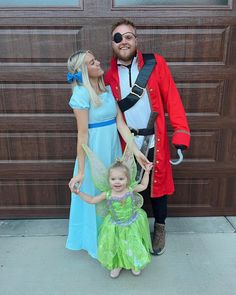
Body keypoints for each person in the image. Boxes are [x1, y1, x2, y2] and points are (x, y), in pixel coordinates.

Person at [105, 19, 191, 256]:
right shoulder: (108, 77)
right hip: (128, 142)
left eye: (129, 36)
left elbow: (172, 99)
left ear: (136, 40)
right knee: (131, 187)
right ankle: (135, 229)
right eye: (118, 37)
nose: (124, 41)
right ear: (112, 44)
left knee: (158, 185)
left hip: (156, 139)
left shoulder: (155, 64)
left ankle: (160, 227)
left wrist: (181, 134)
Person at [66, 50, 150, 259]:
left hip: (112, 150)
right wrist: (82, 171)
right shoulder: (81, 95)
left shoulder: (108, 90)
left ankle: (119, 242)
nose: (98, 62)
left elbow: (120, 123)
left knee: (115, 196)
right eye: (92, 62)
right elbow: (82, 134)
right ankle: (99, 245)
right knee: (97, 196)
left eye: (95, 59)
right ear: (84, 71)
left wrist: (136, 151)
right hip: (94, 153)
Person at [74, 143, 153, 278]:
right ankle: (117, 264)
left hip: (131, 223)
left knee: (133, 243)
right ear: (109, 180)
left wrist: (146, 171)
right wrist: (79, 193)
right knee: (115, 245)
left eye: (121, 179)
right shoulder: (108, 194)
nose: (117, 182)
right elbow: (92, 200)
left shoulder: (130, 190)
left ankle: (135, 262)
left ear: (127, 180)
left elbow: (144, 186)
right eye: (113, 179)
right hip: (115, 225)